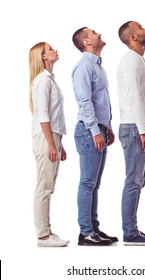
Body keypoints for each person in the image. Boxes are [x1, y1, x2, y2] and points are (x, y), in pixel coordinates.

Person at [72, 27, 118, 246]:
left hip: (99, 129)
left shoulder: (97, 66)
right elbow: (85, 101)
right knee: (88, 183)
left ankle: (94, 229)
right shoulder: (84, 66)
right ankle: (85, 232)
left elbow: (101, 101)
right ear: (86, 40)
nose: (100, 33)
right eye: (93, 32)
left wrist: (107, 127)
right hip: (89, 131)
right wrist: (95, 130)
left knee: (94, 184)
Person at [117, 21, 145, 246]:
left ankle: (132, 230)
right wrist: (144, 131)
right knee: (133, 181)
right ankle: (130, 233)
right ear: (133, 37)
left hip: (140, 127)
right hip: (134, 128)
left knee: (138, 181)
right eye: (141, 27)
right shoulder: (131, 60)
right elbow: (134, 98)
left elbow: (142, 100)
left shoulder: (138, 59)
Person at [29, 42, 69, 247]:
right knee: (44, 186)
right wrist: (50, 144)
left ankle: (46, 232)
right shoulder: (42, 81)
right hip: (46, 137)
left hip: (52, 137)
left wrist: (59, 143)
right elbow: (43, 115)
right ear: (43, 57)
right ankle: (43, 235)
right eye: (51, 49)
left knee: (48, 185)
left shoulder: (49, 80)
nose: (55, 50)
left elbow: (54, 116)